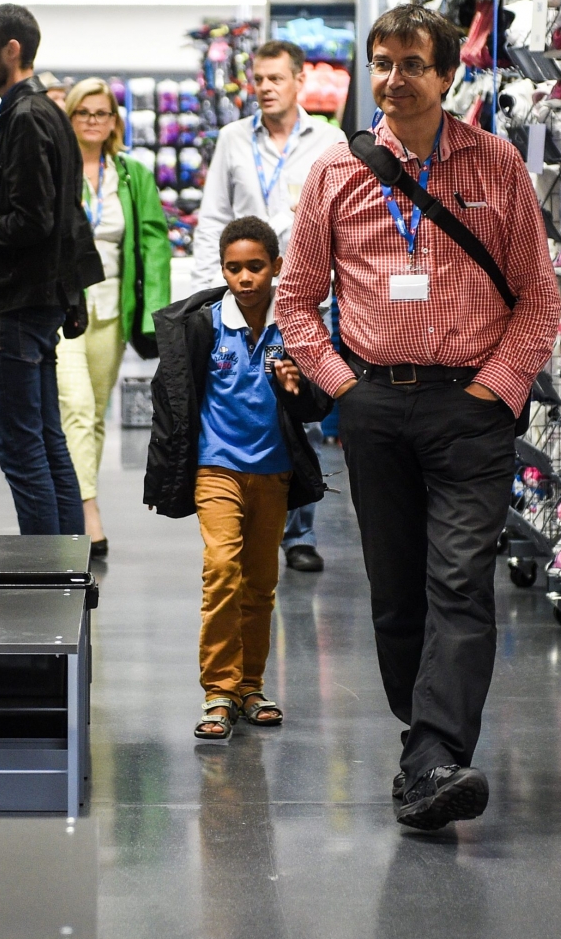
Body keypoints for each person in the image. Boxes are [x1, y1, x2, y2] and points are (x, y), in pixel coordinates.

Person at [275, 3, 561, 831]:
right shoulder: (337, 173)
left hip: (469, 405)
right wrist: (342, 385)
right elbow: (296, 302)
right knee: (398, 593)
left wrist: (496, 388)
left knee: (461, 580)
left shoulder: (497, 164)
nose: (394, 79)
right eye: (383, 63)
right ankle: (423, 747)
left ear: (446, 75)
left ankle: (438, 752)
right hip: (374, 404)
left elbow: (540, 298)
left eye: (412, 64)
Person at [144, 217, 330, 743]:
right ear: (222, 269)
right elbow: (176, 397)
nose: (245, 277)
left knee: (260, 583)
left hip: (273, 471)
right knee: (222, 569)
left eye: (256, 267)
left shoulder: (294, 326)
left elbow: (320, 403)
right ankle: (219, 690)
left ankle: (251, 685)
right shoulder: (204, 326)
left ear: (276, 267)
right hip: (216, 467)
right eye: (234, 268)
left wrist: (295, 385)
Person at [191, 39, 345, 574]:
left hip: (303, 297)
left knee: (297, 407)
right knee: (245, 406)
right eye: (259, 78)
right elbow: (213, 216)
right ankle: (243, 515)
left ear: (300, 81)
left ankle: (298, 533)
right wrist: (206, 290)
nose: (265, 87)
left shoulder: (329, 141)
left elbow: (344, 222)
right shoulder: (233, 139)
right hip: (243, 294)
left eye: (276, 78)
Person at [0, 4, 101, 537]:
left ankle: (45, 578)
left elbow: (33, 220)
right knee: (45, 439)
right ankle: (65, 568)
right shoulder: (43, 114)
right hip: (35, 302)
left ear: (11, 50)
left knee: (23, 450)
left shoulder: (28, 119)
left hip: (16, 305)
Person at [57, 78, 171, 559]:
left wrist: (154, 317)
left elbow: (154, 242)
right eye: (84, 112)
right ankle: (86, 511)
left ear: (114, 122)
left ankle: (75, 500)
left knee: (95, 413)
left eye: (102, 114)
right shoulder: (56, 170)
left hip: (111, 305)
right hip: (63, 305)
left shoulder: (131, 174)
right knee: (77, 406)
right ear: (70, 117)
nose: (93, 121)